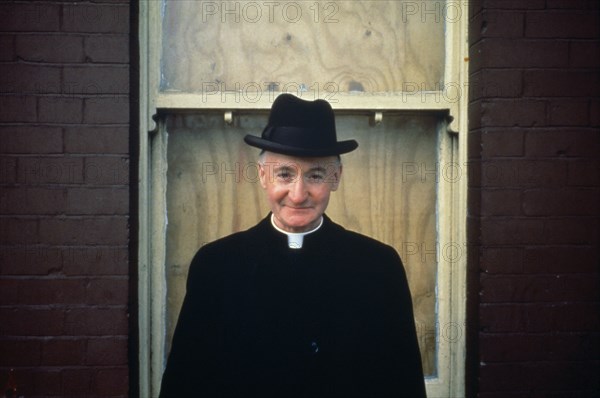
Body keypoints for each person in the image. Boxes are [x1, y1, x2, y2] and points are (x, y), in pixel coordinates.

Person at [159, 94, 426, 398]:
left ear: (336, 178)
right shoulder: (216, 266)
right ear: (262, 176)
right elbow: (185, 382)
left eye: (315, 175)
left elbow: (403, 383)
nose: (298, 195)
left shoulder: (378, 267)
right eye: (284, 174)